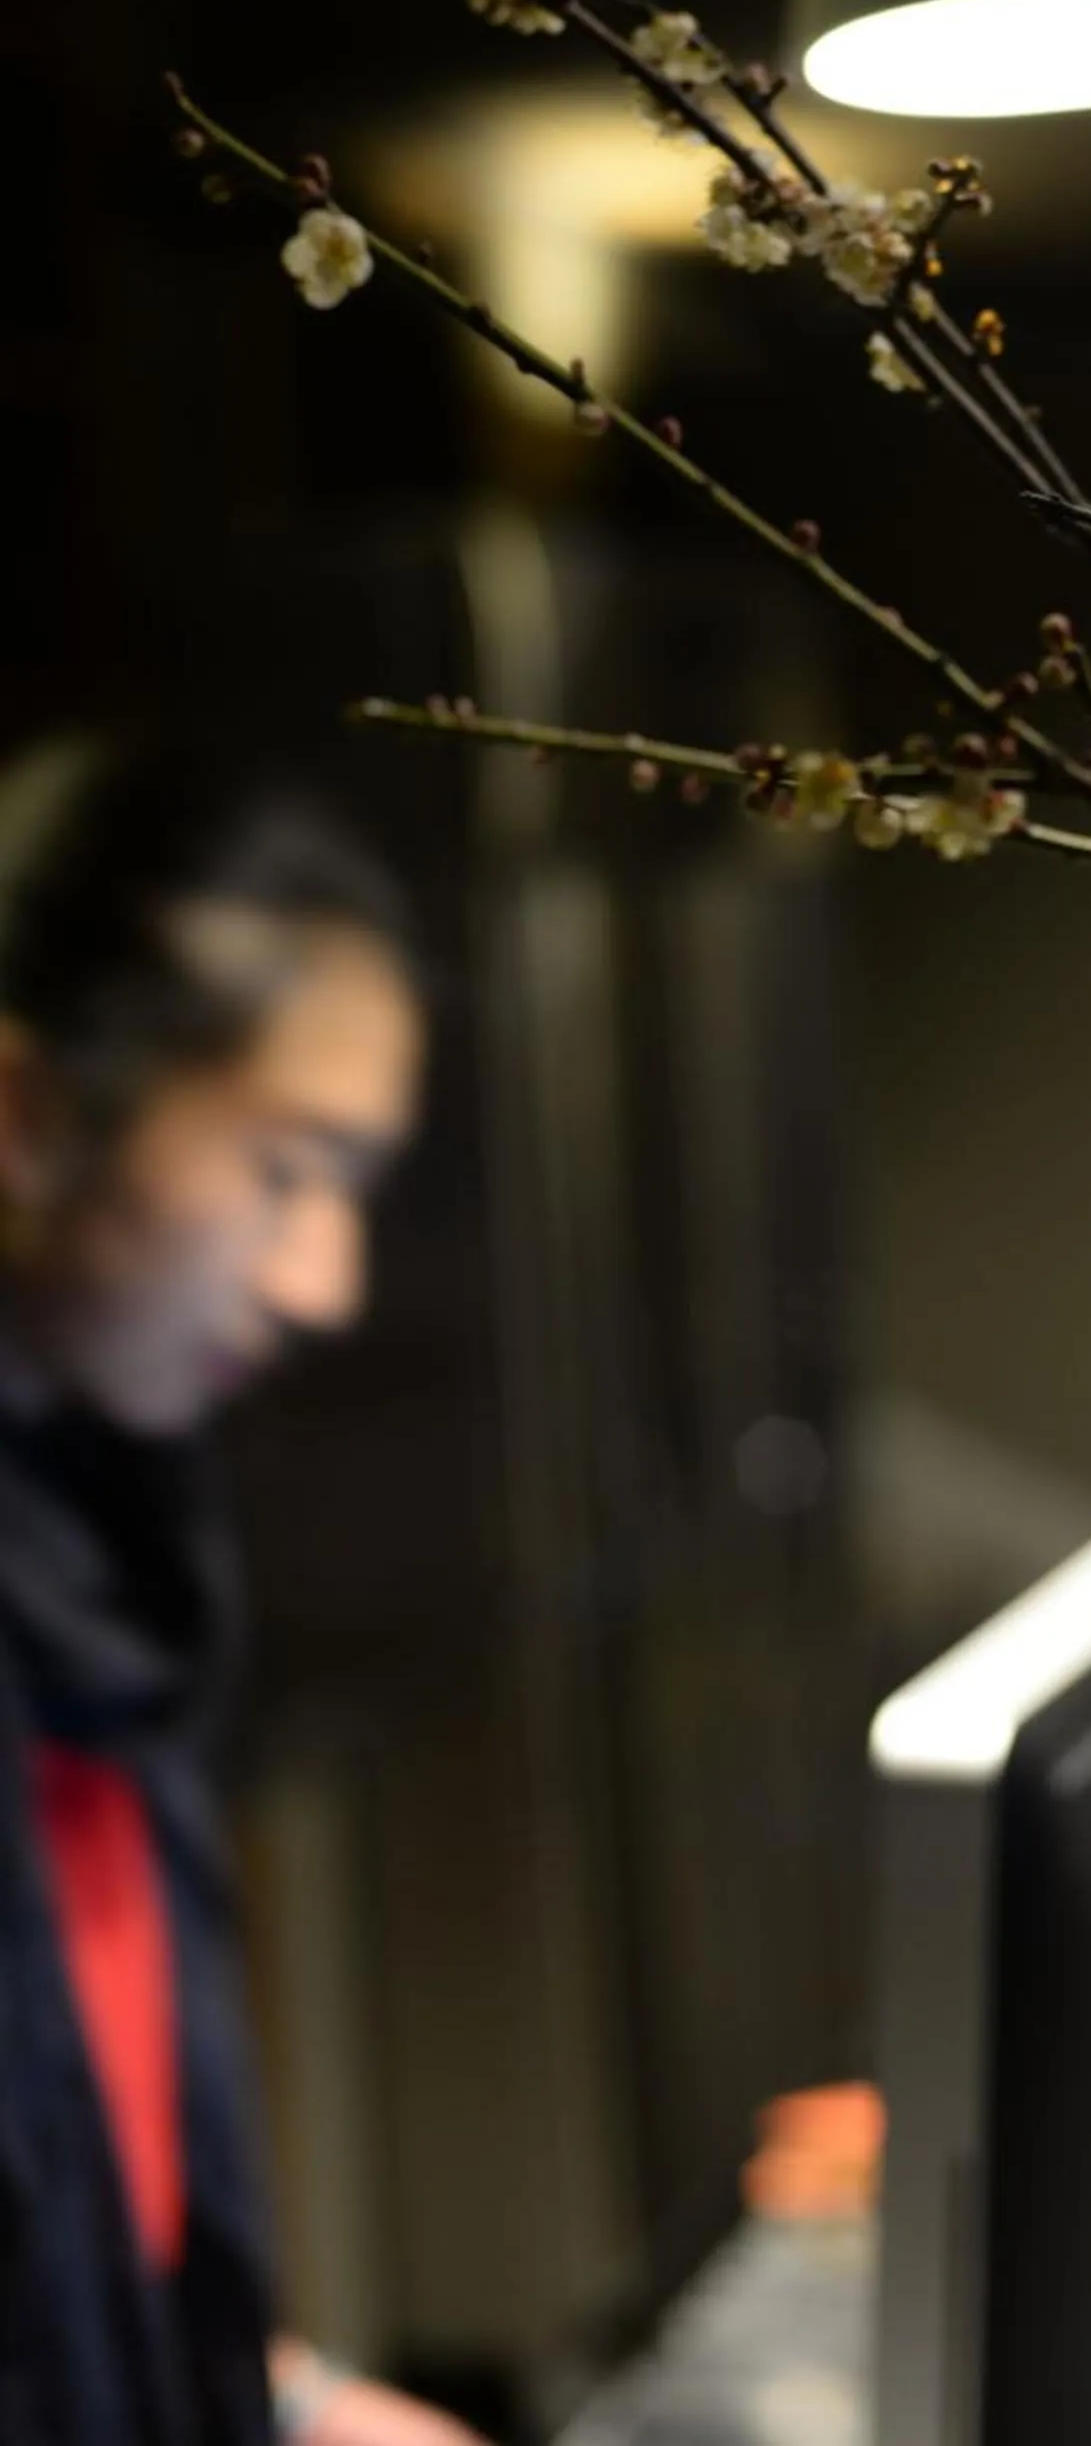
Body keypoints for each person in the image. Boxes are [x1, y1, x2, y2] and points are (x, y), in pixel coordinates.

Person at [0, 735, 486, 2446]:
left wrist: (283, 2404)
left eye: (351, 1193)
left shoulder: (108, 1544)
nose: (322, 1284)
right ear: (29, 1114)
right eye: (286, 1172)